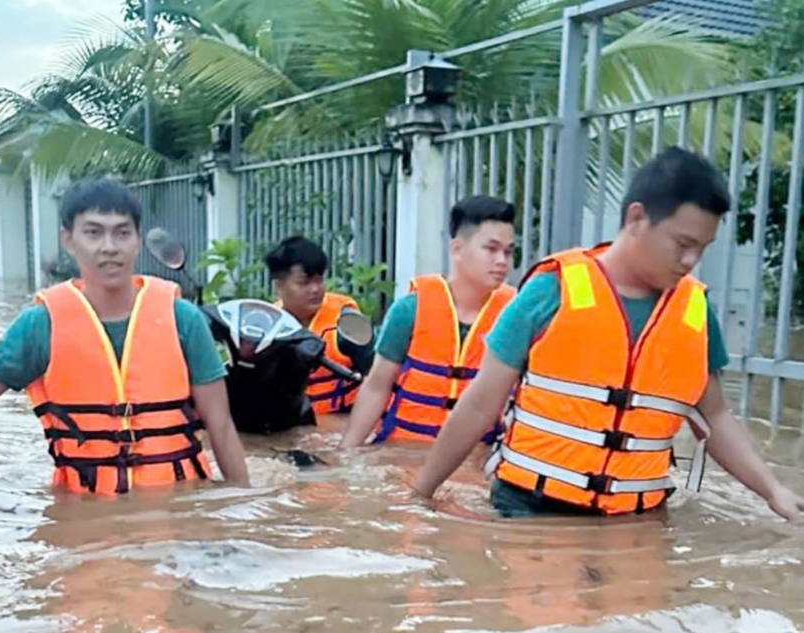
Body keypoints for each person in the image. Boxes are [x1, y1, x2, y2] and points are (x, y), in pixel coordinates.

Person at [411, 147, 804, 521]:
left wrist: (772, 491)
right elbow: (481, 404)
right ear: (636, 218)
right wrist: (422, 494)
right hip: (530, 511)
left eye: (702, 248)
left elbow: (713, 417)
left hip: (635, 519)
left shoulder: (696, 313)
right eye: (682, 243)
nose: (690, 261)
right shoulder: (552, 290)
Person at [0, 177, 250, 507]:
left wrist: (243, 509)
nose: (109, 246)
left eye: (122, 233)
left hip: (180, 505)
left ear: (138, 241)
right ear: (68, 240)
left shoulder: (182, 318)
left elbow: (220, 424)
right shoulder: (40, 325)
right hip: (84, 507)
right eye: (94, 232)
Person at [339, 195, 518, 447]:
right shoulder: (410, 310)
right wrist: (347, 451)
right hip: (404, 451)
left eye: (508, 252)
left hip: (477, 455)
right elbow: (377, 385)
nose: (502, 261)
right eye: (491, 249)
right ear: (457, 249)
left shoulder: (516, 316)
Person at [265, 235, 374, 416]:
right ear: (278, 286)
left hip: (343, 422)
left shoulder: (350, 322)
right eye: (304, 282)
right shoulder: (267, 325)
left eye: (319, 280)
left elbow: (379, 380)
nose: (315, 289)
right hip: (290, 425)